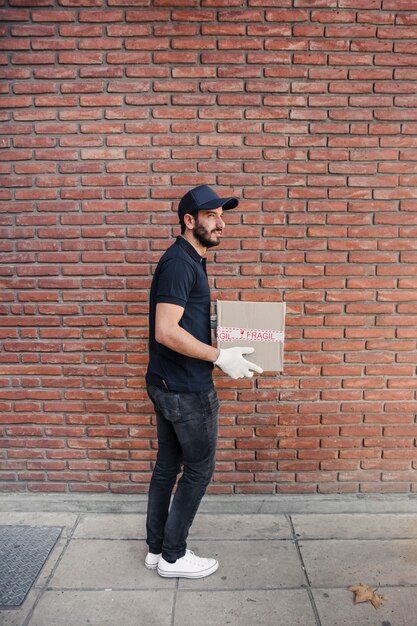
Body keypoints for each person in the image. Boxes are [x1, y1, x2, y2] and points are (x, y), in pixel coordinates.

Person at [144, 184, 263, 579]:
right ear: (189, 221)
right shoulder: (180, 263)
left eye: (222, 215)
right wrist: (219, 356)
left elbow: (179, 320)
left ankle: (157, 547)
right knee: (198, 470)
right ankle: (173, 557)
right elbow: (165, 330)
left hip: (167, 383)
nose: (221, 223)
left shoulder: (190, 260)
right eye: (212, 216)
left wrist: (215, 329)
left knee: (167, 466)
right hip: (186, 389)